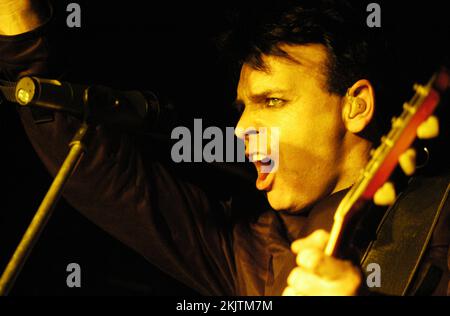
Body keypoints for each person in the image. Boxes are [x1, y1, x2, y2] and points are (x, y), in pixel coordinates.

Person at [0, 0, 448, 296]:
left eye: (272, 101)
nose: (242, 128)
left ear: (357, 106)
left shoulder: (440, 217)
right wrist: (21, 28)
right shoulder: (252, 248)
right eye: (241, 108)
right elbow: (106, 178)